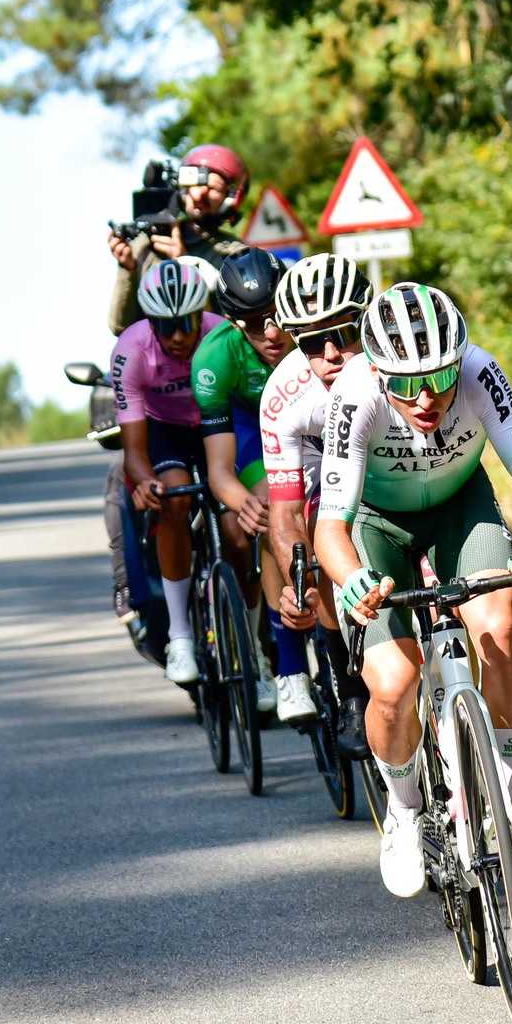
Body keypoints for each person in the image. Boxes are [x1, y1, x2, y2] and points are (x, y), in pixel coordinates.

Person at [313, 284, 512, 898]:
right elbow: (329, 527)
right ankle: (403, 815)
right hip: (377, 525)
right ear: (377, 371)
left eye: (440, 377)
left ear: (460, 360)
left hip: (461, 507)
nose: (425, 397)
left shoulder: (481, 371)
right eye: (404, 384)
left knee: (500, 634)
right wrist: (353, 583)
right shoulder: (353, 395)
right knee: (395, 683)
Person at [258, 253, 376, 739]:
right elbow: (284, 515)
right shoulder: (284, 396)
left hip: (385, 469)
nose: (331, 353)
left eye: (345, 334)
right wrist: (301, 584)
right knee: (311, 548)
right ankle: (346, 681)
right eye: (311, 342)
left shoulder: (397, 366)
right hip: (318, 479)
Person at [193, 247, 298, 718]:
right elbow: (218, 468)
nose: (272, 333)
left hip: (308, 414)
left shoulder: (314, 327)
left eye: (277, 316)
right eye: (255, 323)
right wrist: (240, 501)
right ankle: (284, 664)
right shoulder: (214, 359)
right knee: (274, 508)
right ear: (234, 323)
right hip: (252, 425)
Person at [110, 256, 224, 685]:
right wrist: (147, 481)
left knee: (236, 525)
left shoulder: (221, 335)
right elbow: (134, 451)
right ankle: (179, 636)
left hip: (216, 422)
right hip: (163, 430)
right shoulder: (130, 351)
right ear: (149, 322)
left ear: (201, 315)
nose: (177, 337)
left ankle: (256, 652)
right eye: (165, 326)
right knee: (174, 501)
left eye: (186, 324)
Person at [105, 145, 252, 335]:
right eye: (196, 182)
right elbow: (120, 327)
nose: (199, 194)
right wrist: (127, 268)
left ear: (232, 197)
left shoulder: (235, 256)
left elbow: (236, 330)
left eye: (213, 188)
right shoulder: (146, 244)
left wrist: (184, 265)